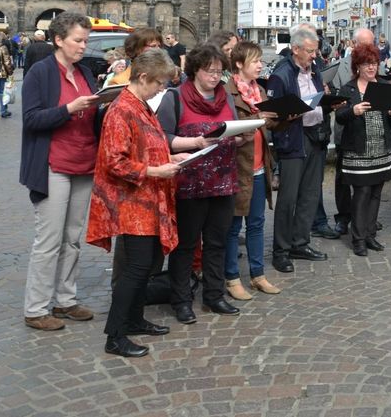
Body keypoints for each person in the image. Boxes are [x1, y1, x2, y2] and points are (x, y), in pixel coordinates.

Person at [87, 49, 184, 358]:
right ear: (143, 77)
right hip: (133, 204)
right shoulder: (121, 110)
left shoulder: (140, 104)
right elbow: (114, 161)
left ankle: (134, 319)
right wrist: (156, 170)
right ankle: (114, 336)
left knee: (147, 266)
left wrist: (170, 157)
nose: (162, 89)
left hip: (148, 199)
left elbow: (147, 147)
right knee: (137, 268)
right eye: (159, 83)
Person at [19, 13, 101, 331]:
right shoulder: (41, 72)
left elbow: (92, 114)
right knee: (49, 240)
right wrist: (69, 109)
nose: (83, 46)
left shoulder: (84, 72)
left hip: (84, 163)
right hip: (53, 165)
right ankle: (36, 308)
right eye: (78, 40)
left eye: (85, 41)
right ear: (58, 40)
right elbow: (31, 119)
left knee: (72, 239)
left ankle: (65, 301)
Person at [158, 44, 250, 323]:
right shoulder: (176, 97)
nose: (215, 77)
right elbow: (163, 138)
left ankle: (214, 295)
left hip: (222, 181)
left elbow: (233, 130)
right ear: (195, 70)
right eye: (210, 71)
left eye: (220, 72)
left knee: (217, 242)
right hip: (189, 183)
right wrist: (197, 142)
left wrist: (240, 137)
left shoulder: (226, 98)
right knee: (186, 245)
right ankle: (181, 299)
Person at [267, 27, 332, 273]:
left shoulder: (313, 70)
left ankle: (300, 242)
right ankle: (281, 250)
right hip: (293, 138)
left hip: (314, 135)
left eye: (315, 51)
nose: (314, 56)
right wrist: (288, 113)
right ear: (295, 50)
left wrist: (327, 98)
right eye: (309, 51)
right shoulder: (282, 74)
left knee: (310, 194)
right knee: (288, 198)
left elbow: (314, 97)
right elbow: (273, 112)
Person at [222, 42, 282, 299]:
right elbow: (227, 126)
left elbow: (270, 125)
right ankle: (232, 277)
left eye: (260, 61)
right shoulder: (227, 92)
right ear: (239, 64)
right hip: (238, 168)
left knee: (257, 224)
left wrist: (285, 117)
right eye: (255, 60)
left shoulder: (260, 90)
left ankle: (258, 275)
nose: (260, 65)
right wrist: (259, 118)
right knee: (233, 226)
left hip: (259, 166)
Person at [334, 43, 391, 256]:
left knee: (376, 193)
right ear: (357, 66)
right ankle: (358, 238)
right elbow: (340, 117)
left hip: (381, 149)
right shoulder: (349, 89)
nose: (371, 68)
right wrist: (353, 110)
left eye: (374, 64)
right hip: (358, 151)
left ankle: (370, 234)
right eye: (366, 64)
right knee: (361, 193)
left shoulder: (383, 86)